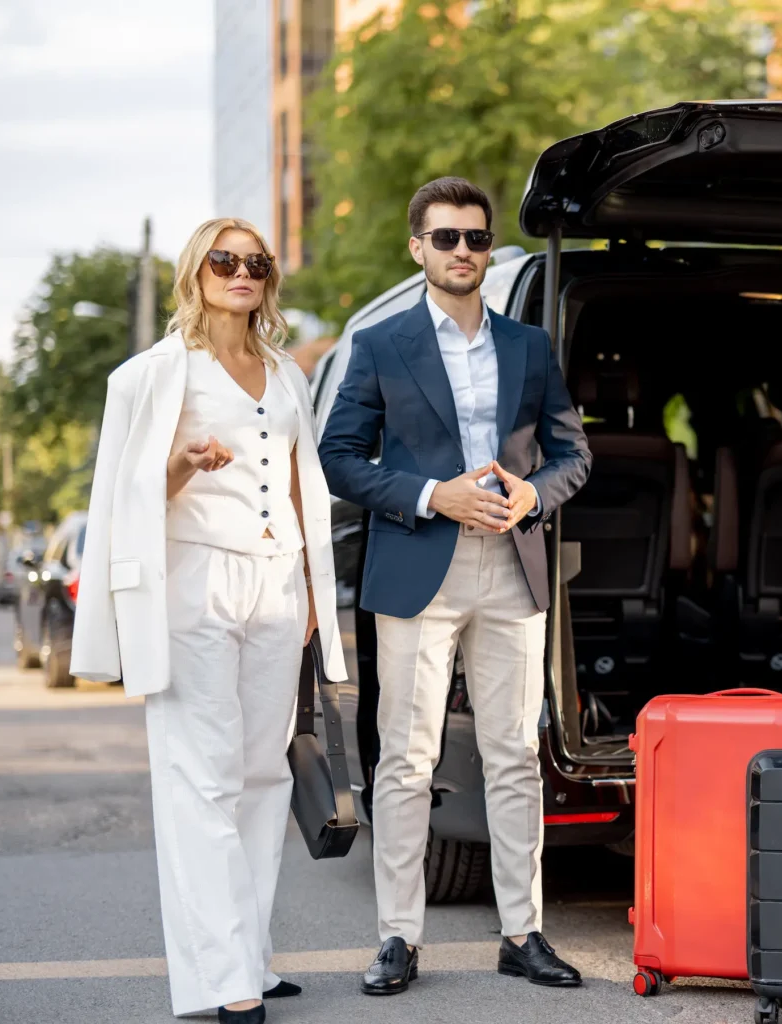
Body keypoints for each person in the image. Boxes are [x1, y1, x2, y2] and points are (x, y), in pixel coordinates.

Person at [319, 177, 591, 996]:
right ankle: (398, 938)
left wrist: (532, 494)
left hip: (511, 567)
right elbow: (340, 458)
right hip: (418, 568)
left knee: (514, 755)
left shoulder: (530, 346)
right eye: (446, 238)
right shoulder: (381, 344)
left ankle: (522, 934)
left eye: (475, 237)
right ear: (419, 248)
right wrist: (432, 495)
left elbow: (573, 455)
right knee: (407, 760)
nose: (463, 251)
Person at [71, 218, 346, 1024]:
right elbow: (120, 501)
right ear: (196, 273)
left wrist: (309, 591)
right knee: (201, 778)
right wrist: (180, 466)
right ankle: (225, 979)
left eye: (255, 261)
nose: (241, 272)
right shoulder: (152, 375)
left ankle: (249, 955)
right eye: (224, 260)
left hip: (277, 586)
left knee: (263, 775)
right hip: (192, 583)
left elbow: (299, 482)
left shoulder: (286, 373)